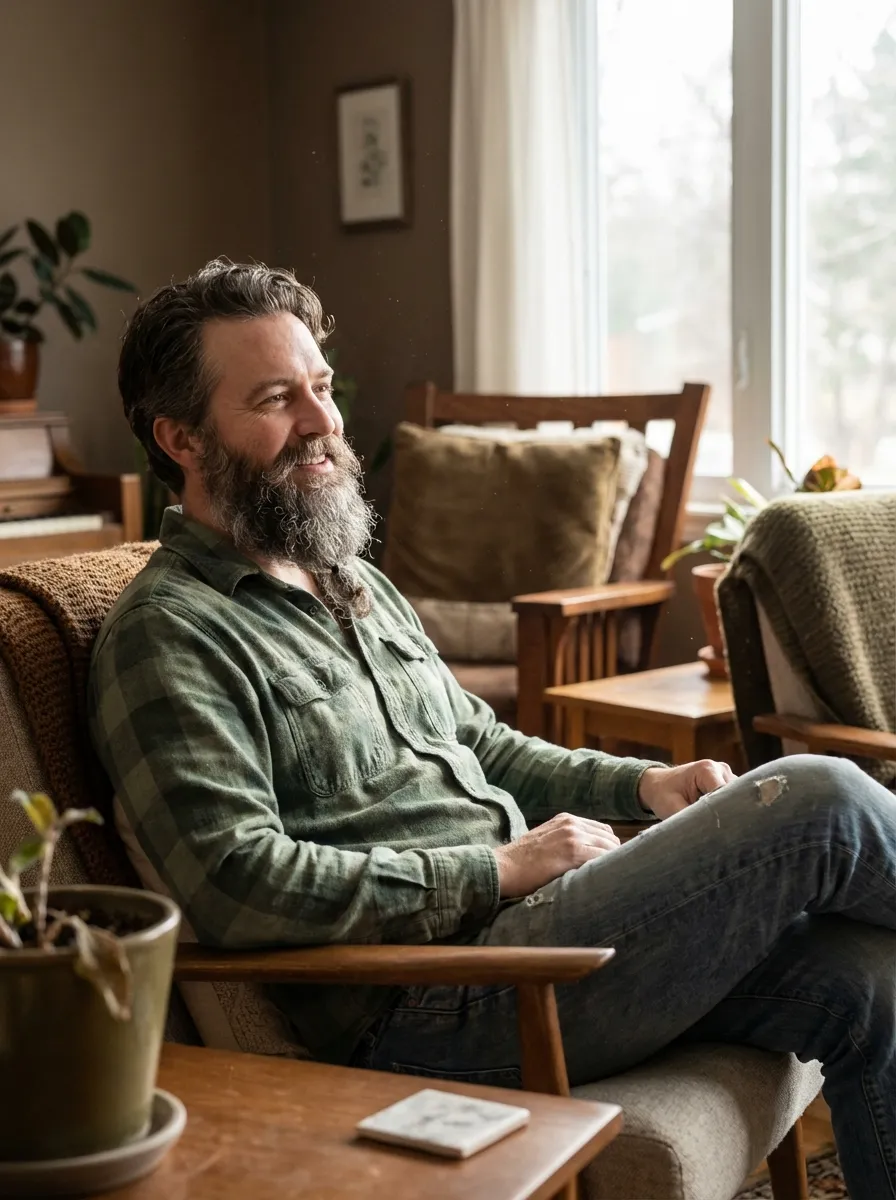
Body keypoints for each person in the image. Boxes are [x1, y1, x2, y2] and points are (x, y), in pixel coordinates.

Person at [88, 260, 896, 1199]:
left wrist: (641, 787)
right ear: (181, 436)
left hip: (539, 938)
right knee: (820, 797)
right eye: (276, 398)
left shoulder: (347, 578)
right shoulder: (169, 633)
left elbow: (482, 742)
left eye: (321, 387)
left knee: (868, 975)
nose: (320, 420)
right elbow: (235, 883)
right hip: (441, 1002)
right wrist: (498, 870)